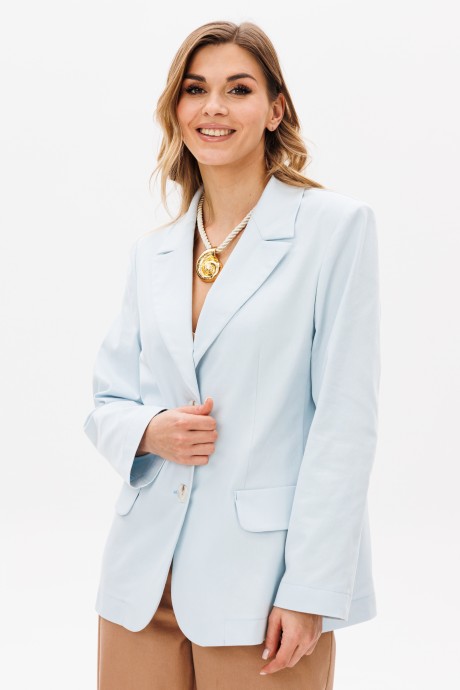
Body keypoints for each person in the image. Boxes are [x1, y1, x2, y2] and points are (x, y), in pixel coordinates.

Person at [83, 19, 381, 690]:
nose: (213, 107)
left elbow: (345, 423)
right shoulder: (153, 252)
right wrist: (150, 430)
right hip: (141, 584)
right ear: (176, 108)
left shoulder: (335, 229)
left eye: (238, 89)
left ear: (275, 109)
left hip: (264, 588)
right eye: (195, 89)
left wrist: (310, 589)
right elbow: (106, 401)